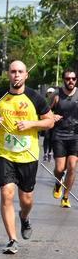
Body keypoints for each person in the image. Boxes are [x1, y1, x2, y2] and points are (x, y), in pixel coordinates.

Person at [0, 61, 54, 254]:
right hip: (5, 154)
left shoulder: (35, 97)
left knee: (26, 199)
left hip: (28, 155)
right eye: (13, 72)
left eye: (20, 72)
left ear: (26, 75)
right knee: (6, 193)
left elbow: (49, 121)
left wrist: (31, 124)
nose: (16, 75)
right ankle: (12, 239)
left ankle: (24, 217)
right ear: (8, 74)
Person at [50, 68, 78, 208]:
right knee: (60, 168)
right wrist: (52, 116)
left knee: (72, 166)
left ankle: (66, 197)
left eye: (73, 78)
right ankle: (57, 182)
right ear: (63, 80)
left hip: (75, 135)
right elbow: (45, 112)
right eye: (68, 79)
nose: (70, 81)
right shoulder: (56, 95)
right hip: (59, 135)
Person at [42, 87, 56, 162]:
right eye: (49, 93)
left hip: (54, 122)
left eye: (51, 93)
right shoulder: (45, 101)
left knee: (51, 138)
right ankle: (45, 153)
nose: (50, 94)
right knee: (46, 137)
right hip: (46, 121)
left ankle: (50, 152)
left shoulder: (56, 100)